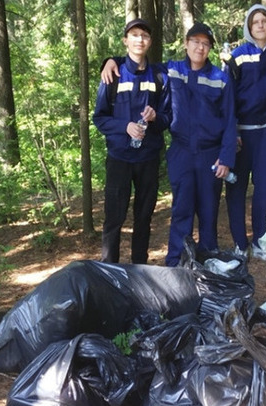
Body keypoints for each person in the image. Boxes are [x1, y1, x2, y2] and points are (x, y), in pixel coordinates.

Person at [101, 23, 237, 266]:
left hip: (210, 155)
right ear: (186, 44)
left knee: (208, 211)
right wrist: (111, 60)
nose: (200, 47)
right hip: (181, 152)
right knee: (181, 211)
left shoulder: (220, 78)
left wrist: (226, 157)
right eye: (195, 41)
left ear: (210, 48)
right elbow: (138, 62)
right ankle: (176, 263)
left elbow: (229, 121)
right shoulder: (170, 70)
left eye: (205, 43)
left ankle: (208, 262)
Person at [92, 18, 170, 264]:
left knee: (144, 218)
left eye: (145, 36)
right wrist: (124, 127)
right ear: (125, 40)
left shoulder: (160, 75)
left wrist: (156, 117)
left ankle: (139, 270)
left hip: (148, 158)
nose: (140, 40)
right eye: (134, 35)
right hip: (119, 158)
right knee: (114, 219)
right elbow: (99, 118)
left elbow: (168, 118)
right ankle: (110, 272)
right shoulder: (113, 73)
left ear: (150, 41)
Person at [223, 5, 266, 259]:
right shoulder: (238, 57)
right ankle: (240, 243)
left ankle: (261, 239)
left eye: (264, 21)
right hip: (241, 133)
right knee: (236, 188)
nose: (260, 25)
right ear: (249, 27)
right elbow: (228, 99)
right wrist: (231, 134)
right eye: (255, 22)